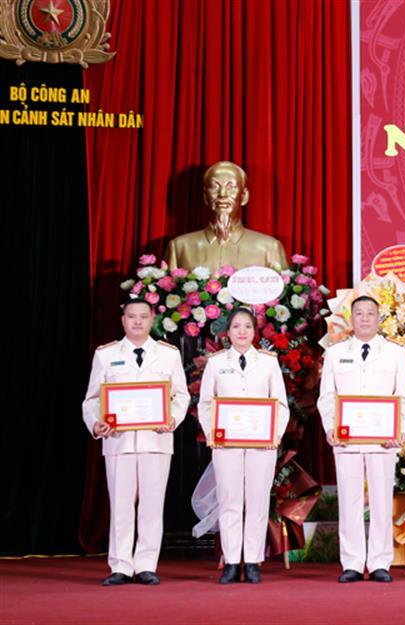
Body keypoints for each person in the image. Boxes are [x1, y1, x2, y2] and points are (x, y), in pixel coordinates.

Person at [81, 299, 190, 586]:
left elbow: (181, 396)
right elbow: (92, 399)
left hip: (156, 439)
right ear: (123, 320)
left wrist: (173, 419)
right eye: (132, 317)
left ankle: (146, 564)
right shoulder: (106, 355)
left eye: (143, 317)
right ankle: (120, 564)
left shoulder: (167, 355)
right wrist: (96, 422)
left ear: (152, 318)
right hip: (119, 440)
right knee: (121, 504)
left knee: (152, 504)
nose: (138, 322)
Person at [317, 295, 405, 583]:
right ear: (351, 319)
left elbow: (402, 397)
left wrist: (399, 432)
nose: (365, 318)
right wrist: (330, 428)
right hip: (347, 440)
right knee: (350, 501)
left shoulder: (396, 353)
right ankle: (353, 563)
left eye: (371, 313)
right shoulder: (335, 353)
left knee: (382, 501)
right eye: (360, 313)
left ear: (379, 319)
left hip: (383, 441)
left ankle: (380, 562)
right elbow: (327, 396)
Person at [197, 308, 289, 584]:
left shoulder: (268, 362)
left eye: (247, 327)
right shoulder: (216, 363)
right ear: (228, 331)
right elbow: (205, 403)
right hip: (227, 444)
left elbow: (280, 404)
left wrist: (275, 434)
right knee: (230, 500)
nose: (241, 332)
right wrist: (212, 433)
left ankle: (252, 560)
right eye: (236, 326)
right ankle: (231, 560)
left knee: (258, 501)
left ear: (254, 331)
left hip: (262, 444)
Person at [166, 161, 288, 271]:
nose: (222, 194)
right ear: (205, 196)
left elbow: (283, 293)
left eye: (231, 187)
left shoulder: (269, 248)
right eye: (215, 186)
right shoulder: (180, 247)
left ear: (244, 196)